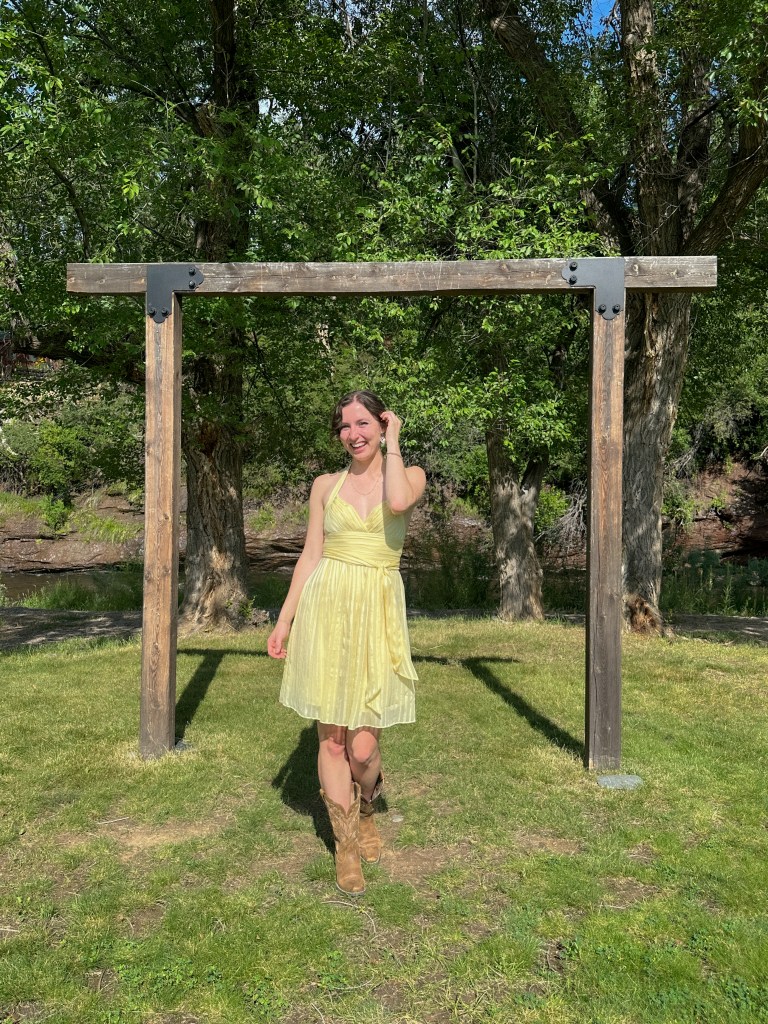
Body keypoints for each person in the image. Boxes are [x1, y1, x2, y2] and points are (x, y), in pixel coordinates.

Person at [267, 390, 426, 896]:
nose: (353, 434)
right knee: (332, 741)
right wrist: (285, 620)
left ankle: (369, 808)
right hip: (326, 610)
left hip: (377, 613)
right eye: (344, 427)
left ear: (382, 425)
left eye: (363, 424)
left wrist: (395, 441)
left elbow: (398, 503)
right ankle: (346, 846)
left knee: (364, 746)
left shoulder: (410, 476)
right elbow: (310, 555)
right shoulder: (323, 486)